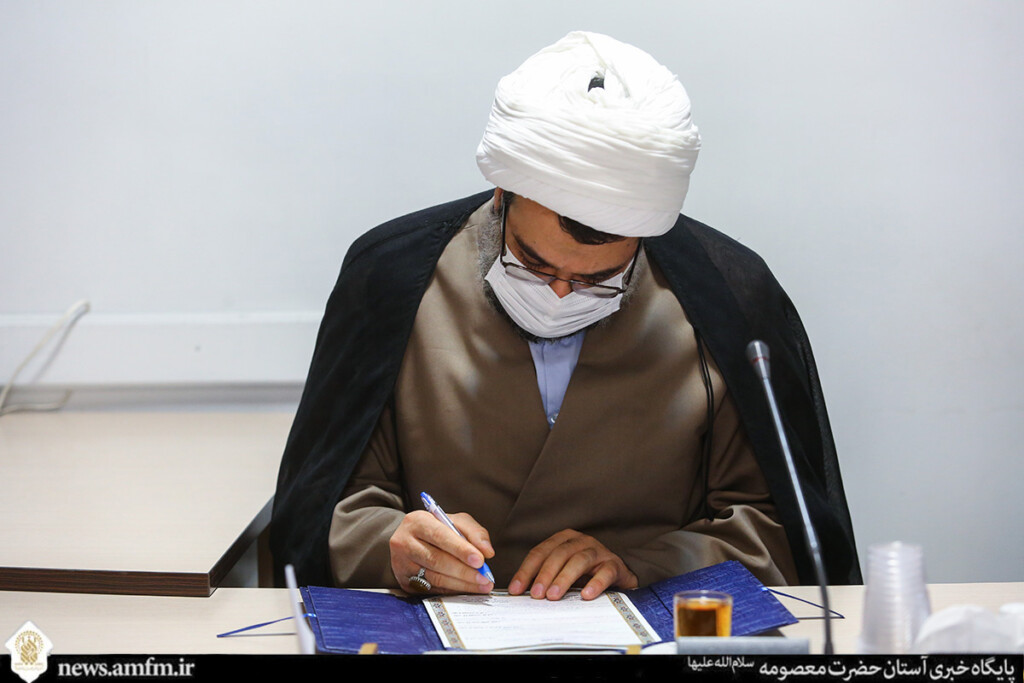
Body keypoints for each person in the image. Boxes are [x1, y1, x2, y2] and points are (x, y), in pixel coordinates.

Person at [270, 31, 861, 599]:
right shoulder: (396, 278)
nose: (558, 294)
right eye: (532, 263)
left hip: (649, 627)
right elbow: (327, 506)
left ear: (646, 238)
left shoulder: (726, 300)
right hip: (437, 627)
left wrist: (643, 565)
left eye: (598, 280)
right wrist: (393, 547)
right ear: (501, 195)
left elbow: (780, 530)